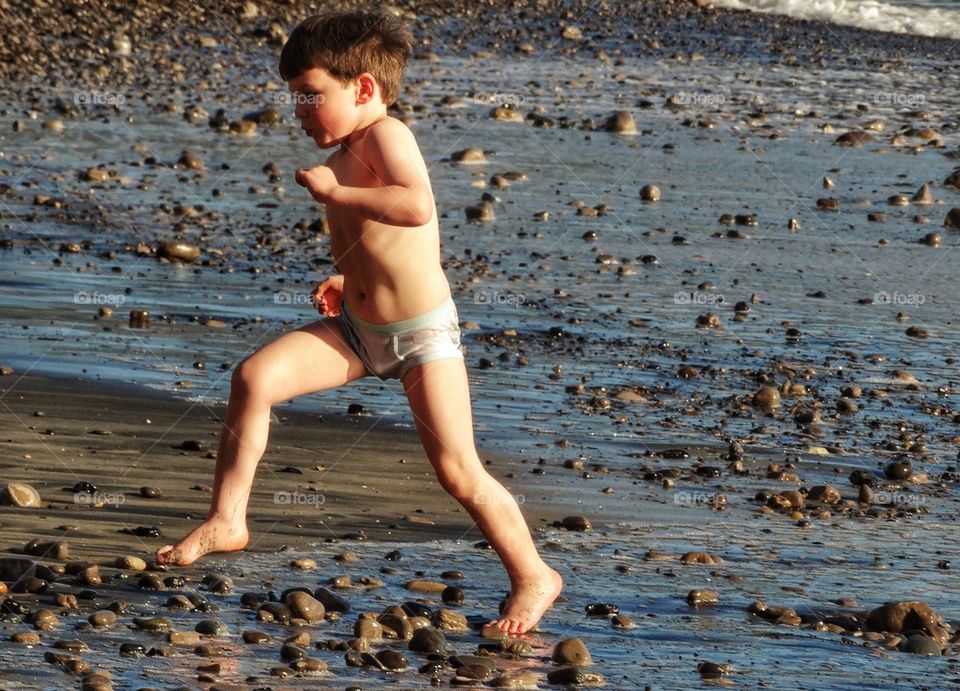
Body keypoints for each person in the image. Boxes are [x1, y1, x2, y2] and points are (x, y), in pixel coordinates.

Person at [155, 10, 562, 635]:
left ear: (364, 89)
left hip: (421, 336)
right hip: (356, 330)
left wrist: (335, 195)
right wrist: (346, 276)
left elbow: (414, 204)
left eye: (310, 95)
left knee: (458, 469)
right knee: (254, 379)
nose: (298, 109)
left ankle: (533, 574)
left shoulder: (386, 135)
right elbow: (379, 241)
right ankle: (228, 519)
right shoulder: (347, 148)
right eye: (294, 97)